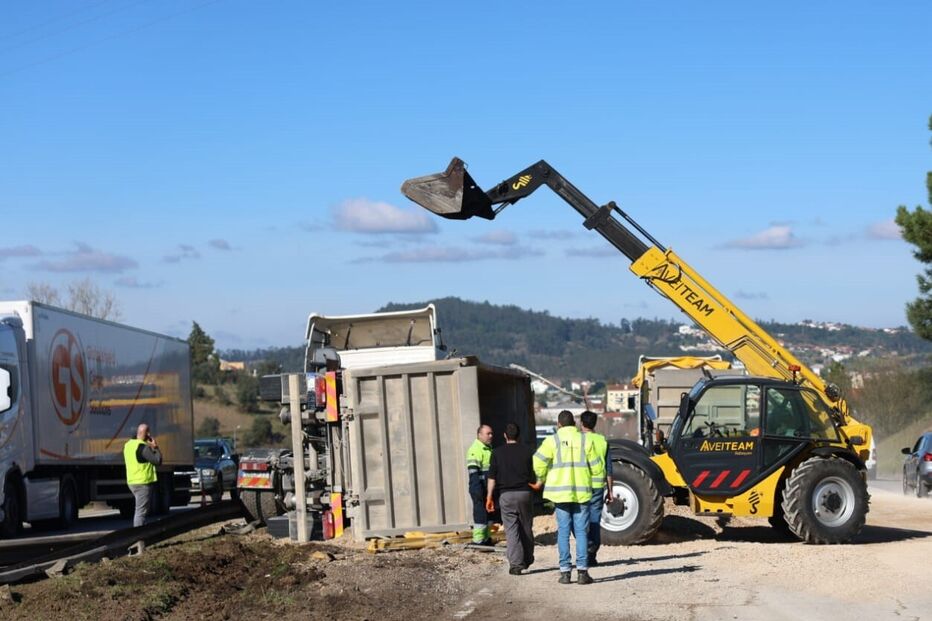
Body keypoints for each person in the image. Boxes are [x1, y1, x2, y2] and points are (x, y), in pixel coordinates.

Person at [533, 410, 601, 585]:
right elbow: (596, 467)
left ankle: (565, 573)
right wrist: (595, 485)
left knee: (563, 532)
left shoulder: (552, 441)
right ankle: (582, 572)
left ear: (559, 424)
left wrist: (543, 476)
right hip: (582, 493)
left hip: (560, 494)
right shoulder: (585, 440)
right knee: (581, 532)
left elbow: (538, 461)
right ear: (575, 424)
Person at [486, 423, 536, 575]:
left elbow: (492, 478)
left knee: (511, 529)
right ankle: (527, 558)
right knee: (526, 527)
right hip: (524, 494)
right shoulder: (528, 451)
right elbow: (535, 473)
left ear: (505, 435)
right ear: (518, 436)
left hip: (506, 495)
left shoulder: (496, 453)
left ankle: (515, 564)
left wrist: (489, 497)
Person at [579, 410, 613, 567]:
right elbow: (609, 468)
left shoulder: (577, 440)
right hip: (598, 486)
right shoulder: (602, 441)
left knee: (579, 520)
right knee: (594, 520)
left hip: (580, 486)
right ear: (594, 424)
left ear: (581, 423)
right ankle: (591, 554)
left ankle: (584, 550)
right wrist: (610, 491)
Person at [123, 423, 162, 528]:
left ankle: (141, 534)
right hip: (143, 483)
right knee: (140, 513)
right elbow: (157, 460)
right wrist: (155, 447)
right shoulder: (143, 448)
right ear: (143, 433)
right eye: (148, 432)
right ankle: (139, 538)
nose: (149, 434)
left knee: (141, 510)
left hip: (132, 482)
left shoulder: (128, 445)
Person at [466, 424, 493, 545]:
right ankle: (478, 540)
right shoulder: (475, 449)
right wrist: (477, 489)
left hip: (487, 487)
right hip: (479, 486)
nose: (490, 436)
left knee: (488, 514)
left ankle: (486, 538)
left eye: (491, 433)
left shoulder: (488, 448)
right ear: (479, 435)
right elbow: (473, 472)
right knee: (480, 514)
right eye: (488, 434)